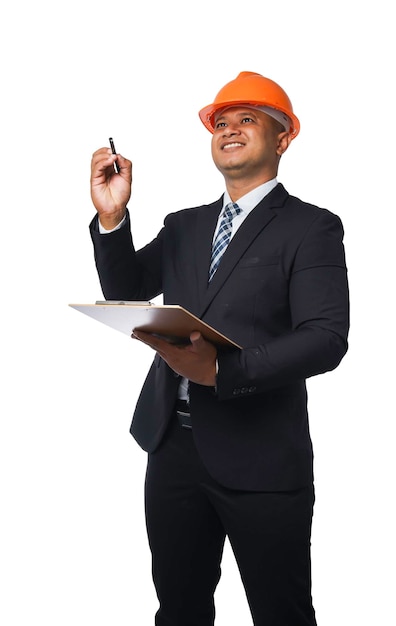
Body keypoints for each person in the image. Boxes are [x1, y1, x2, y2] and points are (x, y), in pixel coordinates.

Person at [89, 71, 349, 625]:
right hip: (172, 449)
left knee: (281, 613)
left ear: (283, 139)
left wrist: (222, 371)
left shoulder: (311, 228)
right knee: (178, 609)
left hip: (261, 456)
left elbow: (326, 338)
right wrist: (112, 218)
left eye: (247, 120)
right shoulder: (184, 226)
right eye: (221, 122)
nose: (229, 129)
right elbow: (126, 289)